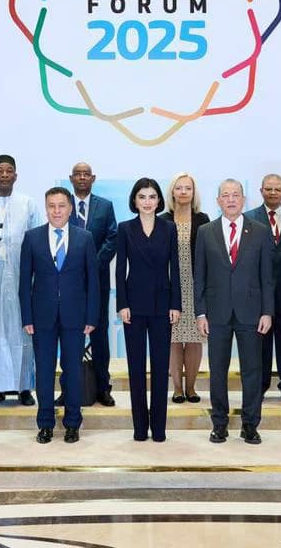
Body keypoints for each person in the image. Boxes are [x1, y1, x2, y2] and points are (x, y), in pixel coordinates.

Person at [195, 179, 274, 444]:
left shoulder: (260, 231)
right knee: (217, 371)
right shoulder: (205, 232)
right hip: (216, 313)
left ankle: (250, 425)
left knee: (252, 371)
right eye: (226, 195)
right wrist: (200, 313)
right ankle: (219, 424)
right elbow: (199, 275)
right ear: (218, 200)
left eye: (236, 195)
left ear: (243, 199)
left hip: (251, 313)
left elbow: (267, 277)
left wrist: (267, 312)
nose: (231, 199)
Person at [19, 187, 100, 444]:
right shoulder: (32, 238)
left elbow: (93, 281)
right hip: (41, 318)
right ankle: (45, 424)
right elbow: (24, 281)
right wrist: (27, 317)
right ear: (46, 208)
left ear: (70, 208)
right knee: (44, 372)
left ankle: (73, 423)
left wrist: (92, 317)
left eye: (61, 205)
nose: (56, 211)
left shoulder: (84, 238)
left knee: (73, 372)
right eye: (51, 206)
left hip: (75, 317)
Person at [115, 178, 181, 442]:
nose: (147, 202)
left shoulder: (169, 228)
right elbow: (120, 270)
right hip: (133, 307)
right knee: (136, 368)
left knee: (160, 368)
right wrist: (122, 304)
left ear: (159, 201)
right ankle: (140, 428)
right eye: (142, 197)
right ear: (134, 200)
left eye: (152, 197)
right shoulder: (125, 228)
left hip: (163, 307)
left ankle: (159, 429)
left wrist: (176, 304)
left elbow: (175, 268)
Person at [0, 155, 43, 406]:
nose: (4, 175)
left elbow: (38, 243)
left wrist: (35, 279)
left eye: (9, 170)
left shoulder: (28, 204)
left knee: (23, 330)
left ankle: (24, 387)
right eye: (0, 171)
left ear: (16, 175)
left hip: (21, 275)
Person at [58, 161, 118, 407]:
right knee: (68, 336)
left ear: (93, 178)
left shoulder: (105, 206)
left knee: (99, 334)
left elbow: (112, 238)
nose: (82, 177)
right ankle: (67, 389)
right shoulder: (63, 206)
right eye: (77, 174)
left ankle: (103, 387)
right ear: (71, 178)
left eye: (86, 174)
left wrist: (93, 263)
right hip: (68, 283)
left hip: (97, 282)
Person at [245, 174, 281, 403]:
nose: (272, 193)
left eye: (277, 189)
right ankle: (260, 386)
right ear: (261, 191)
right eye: (268, 189)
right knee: (260, 344)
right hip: (258, 293)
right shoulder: (248, 220)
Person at [159, 172, 210, 403]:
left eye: (188, 188)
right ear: (172, 191)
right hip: (169, 284)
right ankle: (177, 388)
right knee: (173, 338)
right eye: (179, 188)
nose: (183, 192)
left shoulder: (202, 219)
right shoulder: (162, 220)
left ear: (193, 192)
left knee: (194, 338)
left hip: (195, 284)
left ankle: (191, 388)